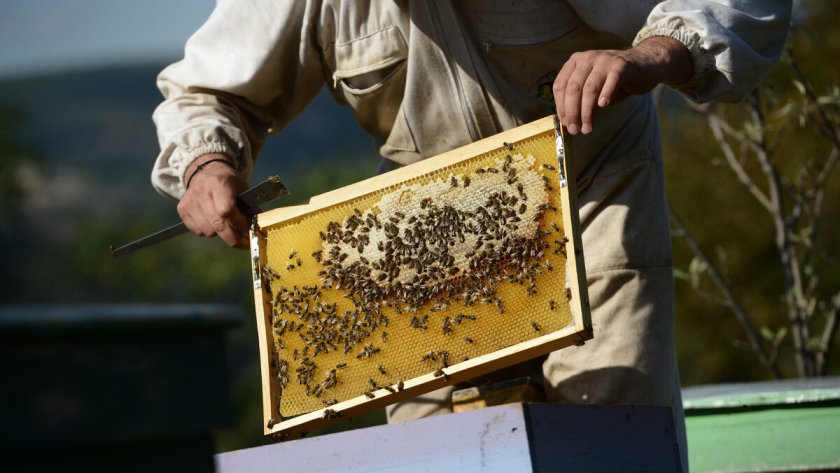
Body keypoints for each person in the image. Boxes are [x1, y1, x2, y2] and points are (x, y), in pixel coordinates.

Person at [151, 1, 791, 468]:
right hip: (417, 237)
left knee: (608, 434)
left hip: (591, 189)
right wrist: (207, 165)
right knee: (436, 455)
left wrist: (650, 54)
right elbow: (207, 91)